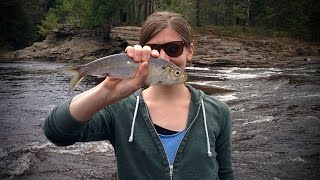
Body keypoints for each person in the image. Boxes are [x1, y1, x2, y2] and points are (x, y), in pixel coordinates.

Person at [44, 11, 234, 179]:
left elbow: (225, 174)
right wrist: (106, 92)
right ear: (142, 52)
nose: (164, 58)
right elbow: (57, 132)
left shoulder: (218, 112)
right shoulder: (121, 109)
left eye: (173, 48)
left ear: (190, 51)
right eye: (153, 50)